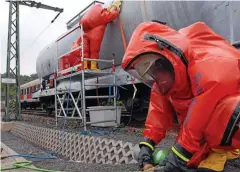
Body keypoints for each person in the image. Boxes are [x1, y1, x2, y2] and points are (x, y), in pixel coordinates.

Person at [121, 21, 240, 171]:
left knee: (227, 111)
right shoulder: (166, 78)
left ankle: (228, 155)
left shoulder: (210, 68)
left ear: (163, 62)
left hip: (229, 118)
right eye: (150, 75)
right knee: (189, 156)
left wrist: (178, 158)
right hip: (205, 125)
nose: (155, 80)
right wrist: (147, 145)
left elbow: (197, 121)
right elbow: (158, 112)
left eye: (154, 72)